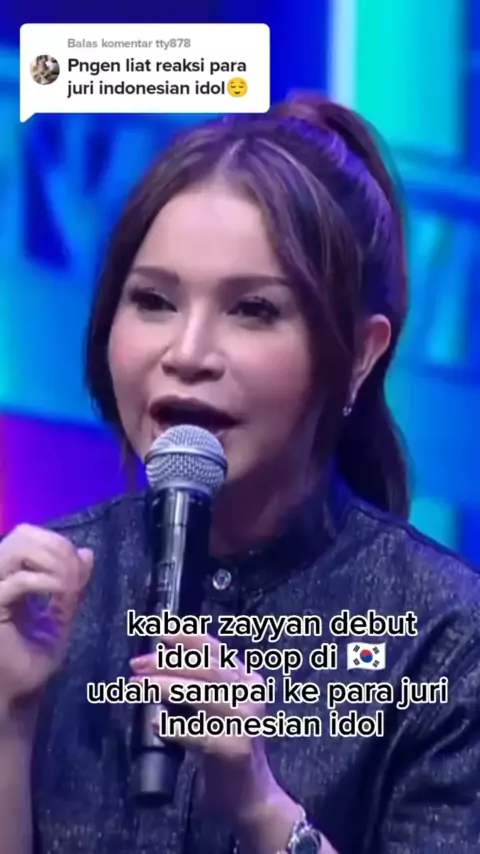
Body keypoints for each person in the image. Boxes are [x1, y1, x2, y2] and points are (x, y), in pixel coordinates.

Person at [0, 91, 479, 854]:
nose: (187, 353)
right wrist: (10, 718)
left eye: (252, 310)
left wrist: (259, 806)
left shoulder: (445, 636)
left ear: (360, 354)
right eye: (153, 301)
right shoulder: (36, 601)